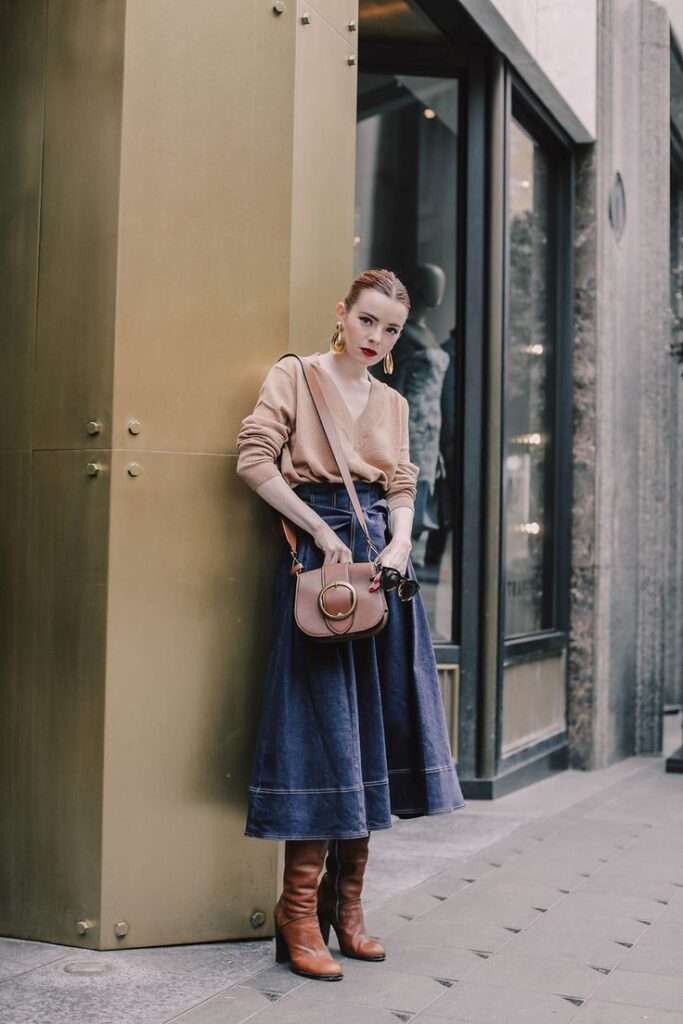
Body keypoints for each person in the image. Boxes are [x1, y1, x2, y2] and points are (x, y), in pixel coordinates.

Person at [235, 268, 465, 983]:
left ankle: (348, 906)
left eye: (390, 328)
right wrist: (314, 531)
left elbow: (400, 481)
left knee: (375, 732)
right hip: (326, 567)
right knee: (322, 730)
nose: (376, 337)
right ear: (342, 314)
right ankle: (296, 913)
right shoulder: (296, 377)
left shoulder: (391, 401)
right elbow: (252, 459)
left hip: (384, 570)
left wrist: (399, 542)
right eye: (366, 320)